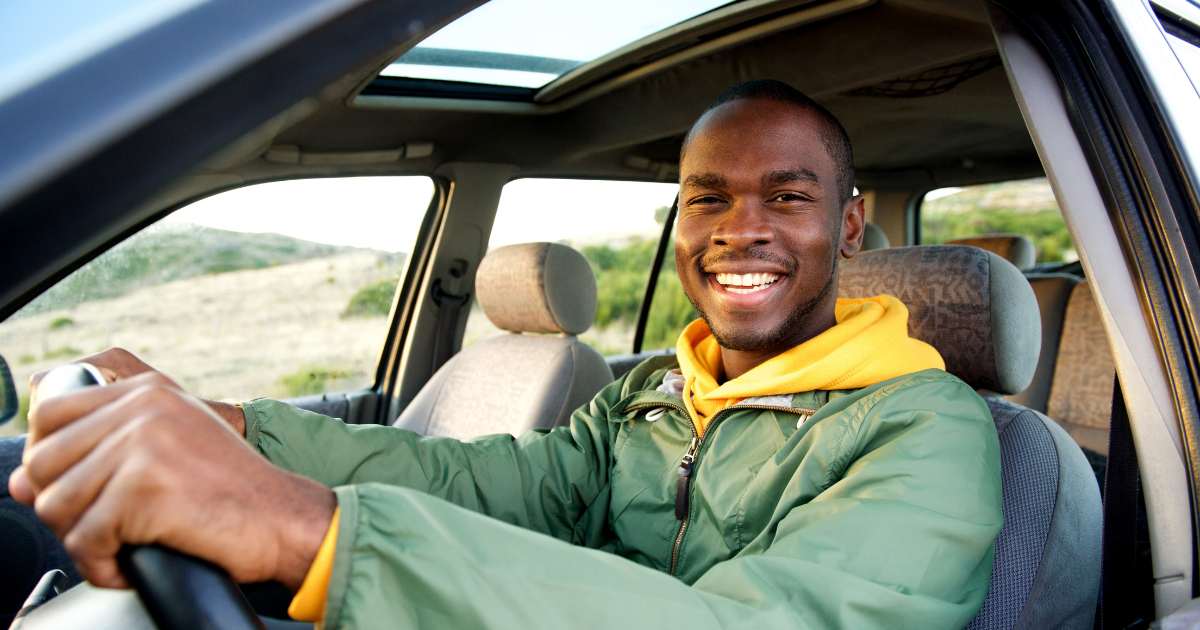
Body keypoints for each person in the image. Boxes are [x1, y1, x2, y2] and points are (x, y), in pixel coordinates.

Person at [5, 80, 1001, 628]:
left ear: (853, 225)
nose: (741, 229)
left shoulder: (927, 431)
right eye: (709, 197)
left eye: (787, 196)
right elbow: (487, 483)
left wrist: (317, 535)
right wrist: (242, 431)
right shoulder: (654, 390)